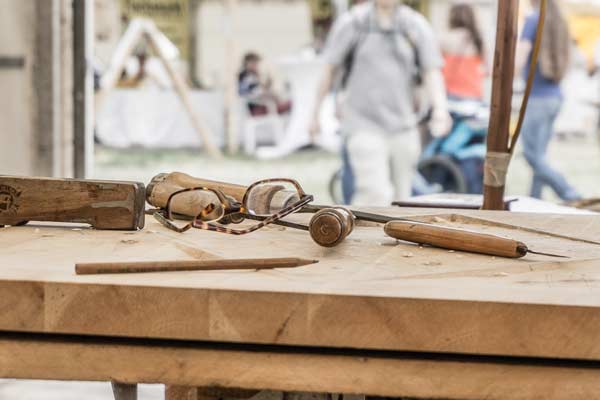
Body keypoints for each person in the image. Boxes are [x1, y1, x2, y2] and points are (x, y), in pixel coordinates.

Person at [311, 0, 451, 206]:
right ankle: (366, 237)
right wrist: (314, 115)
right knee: (374, 195)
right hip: (362, 124)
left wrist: (441, 109)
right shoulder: (353, 23)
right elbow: (329, 70)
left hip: (403, 126)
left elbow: (431, 71)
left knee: (403, 200)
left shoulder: (414, 25)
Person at [516, 0, 581, 201]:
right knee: (540, 156)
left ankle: (570, 193)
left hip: (536, 98)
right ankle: (534, 199)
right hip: (554, 97)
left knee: (531, 155)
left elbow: (521, 55)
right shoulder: (559, 19)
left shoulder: (533, 19)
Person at [440, 3, 486, 100]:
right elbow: (488, 69)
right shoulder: (478, 40)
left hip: (450, 93)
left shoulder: (444, 39)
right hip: (474, 94)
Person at [238, 52, 291, 116]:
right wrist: (269, 93)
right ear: (247, 63)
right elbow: (254, 93)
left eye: (256, 63)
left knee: (288, 102)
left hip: (263, 106)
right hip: (258, 108)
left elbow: (259, 89)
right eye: (254, 63)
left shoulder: (251, 76)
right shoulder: (246, 77)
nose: (256, 66)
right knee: (291, 103)